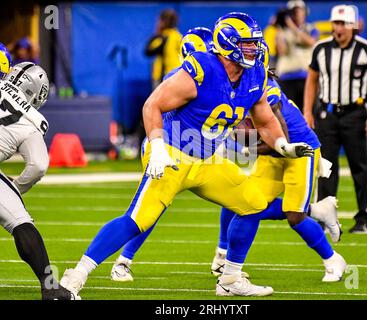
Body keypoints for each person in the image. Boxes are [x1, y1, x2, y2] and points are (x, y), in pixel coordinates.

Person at [60, 12, 314, 298]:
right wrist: (156, 147)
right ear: (229, 44)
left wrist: (283, 146)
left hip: (207, 159)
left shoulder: (253, 74)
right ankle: (75, 276)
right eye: (247, 44)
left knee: (253, 203)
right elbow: (152, 105)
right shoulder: (202, 68)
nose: (255, 49)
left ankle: (230, 278)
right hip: (172, 152)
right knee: (138, 219)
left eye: (254, 44)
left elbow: (265, 120)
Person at [110, 38, 345, 284]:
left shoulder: (258, 84)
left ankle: (331, 257)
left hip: (297, 150)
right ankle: (226, 260)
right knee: (244, 202)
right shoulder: (198, 78)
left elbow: (278, 137)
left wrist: (241, 149)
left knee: (293, 215)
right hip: (215, 149)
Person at [303, 4, 367, 234]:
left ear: (353, 26)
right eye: (335, 23)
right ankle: (325, 217)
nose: (337, 28)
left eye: (342, 24)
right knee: (326, 168)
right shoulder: (321, 49)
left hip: (355, 114)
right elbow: (312, 79)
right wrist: (307, 111)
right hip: (326, 114)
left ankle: (363, 218)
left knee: (360, 167)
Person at [0, 62, 76, 300]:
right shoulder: (32, 119)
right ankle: (51, 288)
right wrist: (17, 187)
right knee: (21, 223)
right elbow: (38, 166)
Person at [274, 0, 319, 112]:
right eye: (293, 11)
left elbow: (312, 42)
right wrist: (279, 29)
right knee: (287, 114)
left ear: (305, 11)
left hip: (306, 77)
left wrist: (292, 27)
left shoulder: (310, 28)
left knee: (307, 112)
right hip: (287, 78)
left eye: (299, 10)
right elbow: (282, 51)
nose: (297, 13)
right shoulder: (283, 31)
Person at [145, 9, 182, 89]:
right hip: (177, 75)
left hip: (163, 77)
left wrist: (157, 33)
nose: (157, 23)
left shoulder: (162, 37)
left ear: (163, 22)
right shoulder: (178, 36)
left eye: (159, 21)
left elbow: (147, 51)